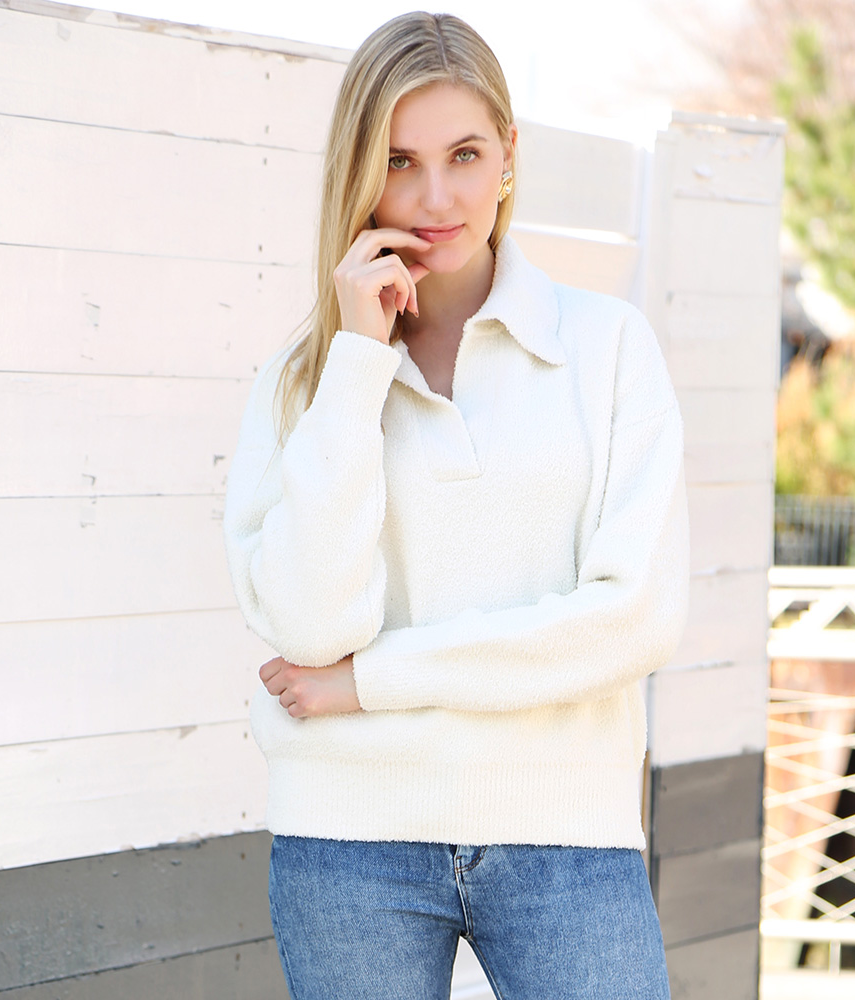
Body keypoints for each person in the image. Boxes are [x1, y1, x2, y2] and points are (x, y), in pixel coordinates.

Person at [224, 11, 688, 1000]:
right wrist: (357, 361)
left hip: (567, 830)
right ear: (360, 171)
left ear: (509, 155)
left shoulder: (607, 348)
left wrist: (373, 682)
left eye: (465, 155)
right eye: (400, 161)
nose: (435, 198)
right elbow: (309, 626)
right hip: (348, 838)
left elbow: (633, 619)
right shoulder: (302, 383)